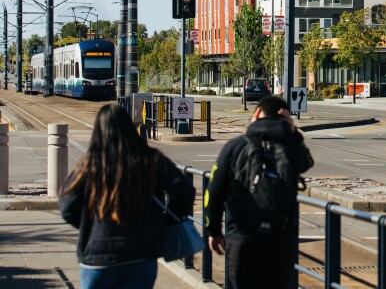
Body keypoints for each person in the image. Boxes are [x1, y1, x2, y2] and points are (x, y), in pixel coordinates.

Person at [59, 104, 195, 289]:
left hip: (98, 255)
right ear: (130, 127)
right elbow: (184, 190)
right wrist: (164, 222)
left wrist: (89, 223)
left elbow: (67, 206)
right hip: (140, 254)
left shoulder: (90, 165)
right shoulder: (150, 159)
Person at [205, 96, 314, 289]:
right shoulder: (290, 149)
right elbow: (307, 161)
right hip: (281, 240)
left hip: (242, 239)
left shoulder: (236, 146)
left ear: (256, 113)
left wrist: (213, 230)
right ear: (285, 118)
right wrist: (294, 132)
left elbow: (214, 191)